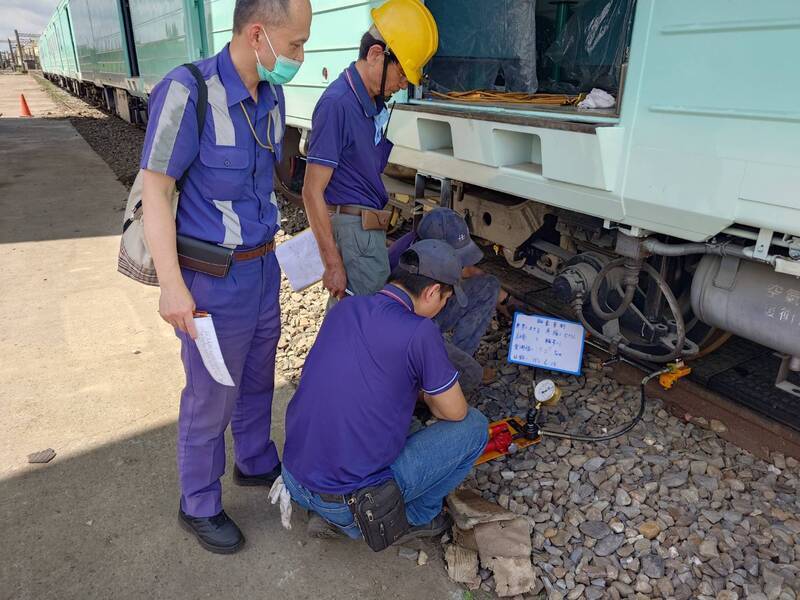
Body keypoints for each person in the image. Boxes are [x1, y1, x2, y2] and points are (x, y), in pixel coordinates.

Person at [140, 0, 311, 554]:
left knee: (259, 375)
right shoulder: (188, 91)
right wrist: (171, 286)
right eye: (295, 44)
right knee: (211, 394)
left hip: (262, 268)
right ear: (258, 34)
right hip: (212, 278)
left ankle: (254, 459)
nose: (300, 56)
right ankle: (198, 503)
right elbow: (156, 191)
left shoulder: (272, 96)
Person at [281, 240, 489, 541]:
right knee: (475, 426)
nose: (443, 306)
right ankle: (415, 518)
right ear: (432, 292)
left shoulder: (346, 308)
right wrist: (429, 396)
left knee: (401, 419)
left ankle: (324, 509)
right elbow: (455, 412)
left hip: (294, 479)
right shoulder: (420, 331)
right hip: (351, 505)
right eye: (445, 299)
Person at [302, 0, 439, 302]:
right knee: (367, 316)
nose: (402, 85)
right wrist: (333, 264)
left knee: (355, 316)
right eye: (401, 75)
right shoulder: (337, 104)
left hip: (364, 231)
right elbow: (311, 191)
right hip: (355, 233)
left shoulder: (369, 102)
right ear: (376, 54)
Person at [388, 208, 521, 392]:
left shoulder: (426, 246)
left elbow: (468, 271)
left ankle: (456, 361)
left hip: (427, 313)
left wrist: (505, 299)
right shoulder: (402, 263)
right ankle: (444, 376)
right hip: (412, 327)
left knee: (489, 285)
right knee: (471, 373)